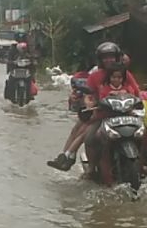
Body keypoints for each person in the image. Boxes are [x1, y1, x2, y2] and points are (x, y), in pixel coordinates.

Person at [47, 41, 128, 170]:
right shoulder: (95, 74)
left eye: (111, 57)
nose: (108, 60)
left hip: (124, 110)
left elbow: (136, 90)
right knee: (82, 130)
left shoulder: (125, 73)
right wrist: (86, 101)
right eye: (105, 57)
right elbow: (88, 92)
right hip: (100, 111)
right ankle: (67, 156)